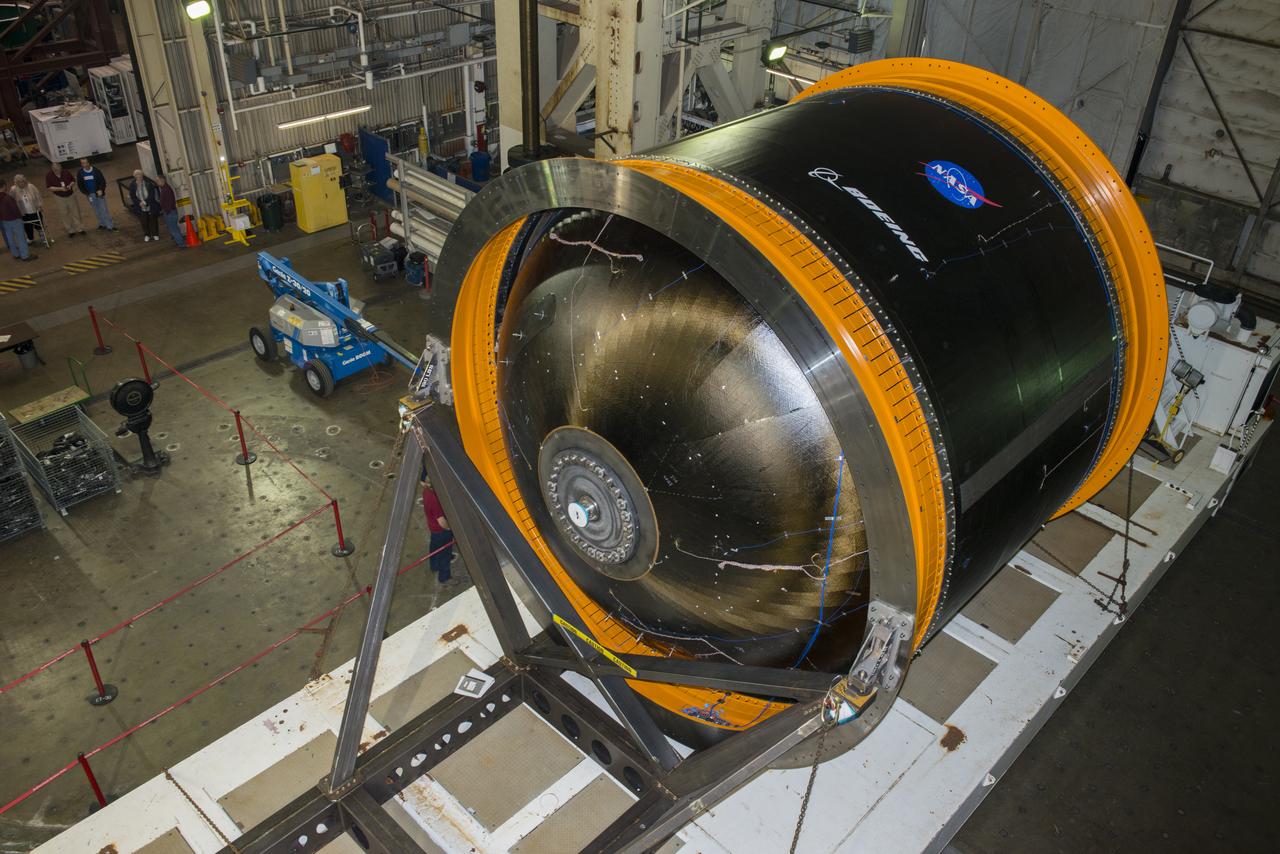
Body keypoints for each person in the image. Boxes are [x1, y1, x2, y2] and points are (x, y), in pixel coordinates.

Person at [422, 478, 456, 586]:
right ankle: (445, 577)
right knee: (445, 553)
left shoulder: (426, 491)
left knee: (435, 547)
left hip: (433, 527)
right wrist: (451, 528)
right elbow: (441, 522)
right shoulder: (435, 499)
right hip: (442, 531)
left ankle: (434, 565)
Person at [0, 178, 36, 262]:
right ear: (4, 186)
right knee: (20, 237)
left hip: (4, 221)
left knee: (10, 238)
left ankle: (15, 254)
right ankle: (25, 255)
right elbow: (15, 209)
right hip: (14, 219)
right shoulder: (8, 198)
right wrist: (19, 216)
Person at [45, 161, 85, 237]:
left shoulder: (66, 172)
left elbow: (73, 180)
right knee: (64, 214)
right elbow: (49, 187)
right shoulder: (49, 176)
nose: (58, 172)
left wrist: (70, 185)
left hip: (70, 195)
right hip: (59, 197)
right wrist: (60, 189)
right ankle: (70, 230)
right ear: (52, 169)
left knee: (75, 211)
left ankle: (80, 228)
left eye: (59, 170)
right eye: (56, 170)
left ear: (61, 168)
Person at [76, 157, 115, 230]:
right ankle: (102, 224)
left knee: (104, 209)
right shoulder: (80, 173)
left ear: (89, 163)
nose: (84, 165)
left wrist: (100, 189)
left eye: (85, 163)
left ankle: (110, 226)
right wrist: (86, 193)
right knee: (96, 210)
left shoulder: (96, 171)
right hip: (90, 195)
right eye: (82, 163)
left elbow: (102, 181)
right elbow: (80, 184)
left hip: (99, 194)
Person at [9, 175, 46, 244]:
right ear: (16, 183)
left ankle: (43, 237)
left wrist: (39, 205)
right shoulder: (13, 189)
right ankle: (30, 238)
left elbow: (38, 195)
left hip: (34, 210)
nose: (22, 183)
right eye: (19, 182)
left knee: (39, 225)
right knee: (27, 226)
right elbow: (11, 200)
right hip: (24, 213)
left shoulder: (31, 187)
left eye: (23, 181)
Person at [129, 169, 160, 242]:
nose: (139, 177)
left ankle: (155, 234)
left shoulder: (148, 184)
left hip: (150, 205)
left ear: (142, 176)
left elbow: (151, 195)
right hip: (140, 207)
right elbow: (133, 196)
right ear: (135, 177)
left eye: (140, 175)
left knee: (153, 220)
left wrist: (145, 202)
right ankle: (147, 235)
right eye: (137, 175)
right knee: (144, 221)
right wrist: (140, 203)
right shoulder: (132, 185)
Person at [156, 174, 184, 248]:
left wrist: (166, 211)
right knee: (174, 228)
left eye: (157, 181)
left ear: (162, 180)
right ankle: (180, 242)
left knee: (173, 229)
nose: (157, 183)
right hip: (171, 212)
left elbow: (169, 202)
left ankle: (181, 244)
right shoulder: (165, 188)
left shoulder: (166, 189)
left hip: (170, 213)